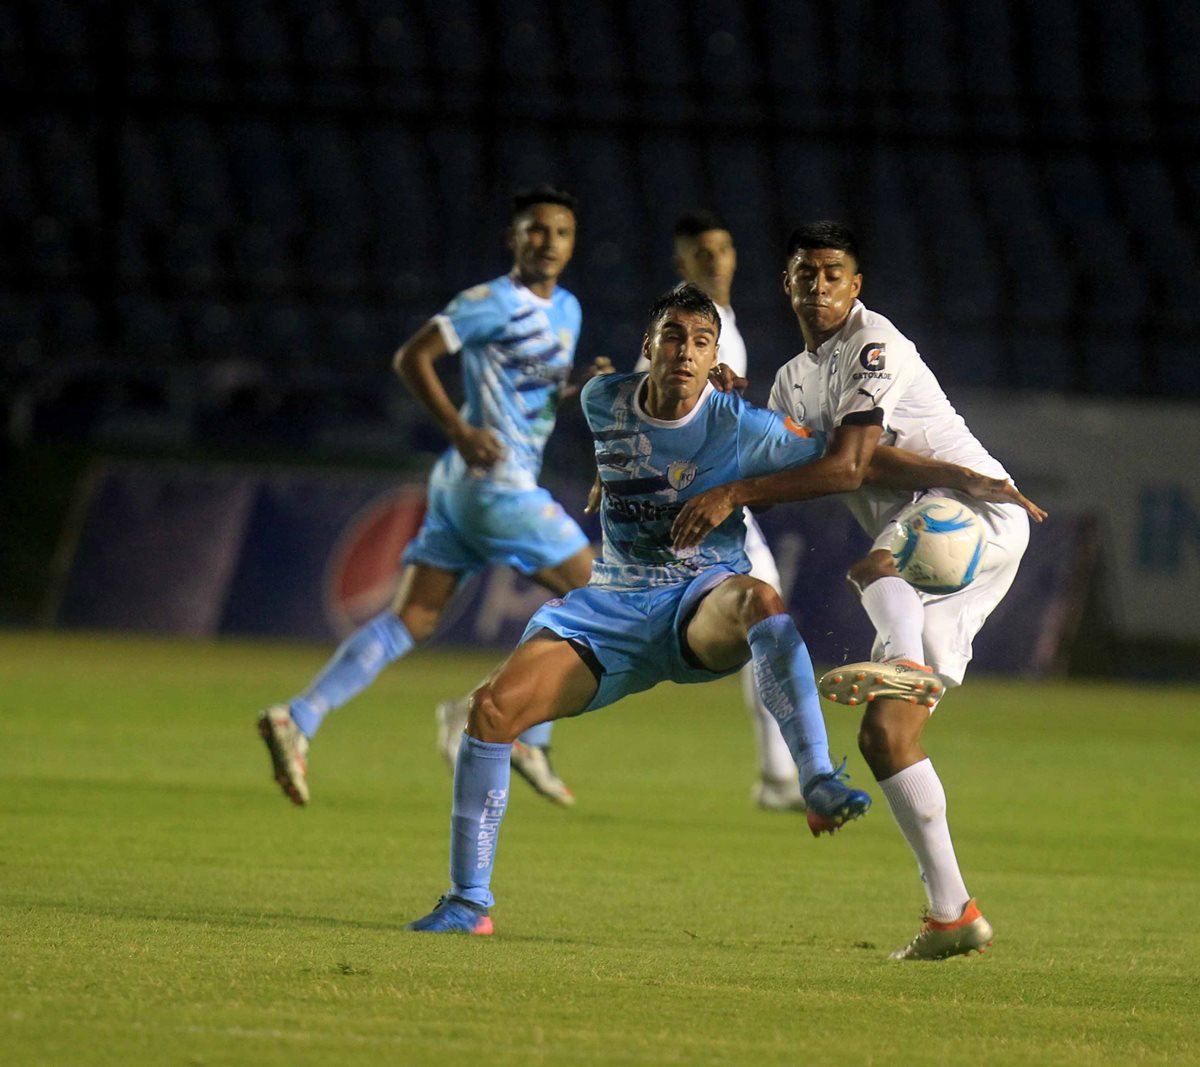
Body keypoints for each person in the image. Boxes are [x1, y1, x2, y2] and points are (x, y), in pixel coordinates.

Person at [406, 282, 1032, 935]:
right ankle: (468, 902)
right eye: (673, 337)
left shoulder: (743, 424)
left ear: (716, 361)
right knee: (491, 711)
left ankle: (815, 776)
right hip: (610, 608)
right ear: (648, 347)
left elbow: (855, 463)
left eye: (701, 343)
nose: (685, 352)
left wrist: (966, 479)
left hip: (699, 599)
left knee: (760, 598)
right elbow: (596, 417)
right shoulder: (603, 400)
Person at [671, 221, 1047, 961]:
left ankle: (901, 654)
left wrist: (741, 486)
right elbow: (793, 468)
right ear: (787, 285)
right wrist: (732, 415)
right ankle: (953, 912)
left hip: (977, 515)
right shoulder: (791, 381)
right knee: (885, 735)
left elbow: (846, 468)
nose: (818, 287)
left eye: (833, 274)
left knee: (873, 566)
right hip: (941, 521)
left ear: (856, 285)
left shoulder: (876, 345)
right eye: (805, 275)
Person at [257, 184, 601, 808]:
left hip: (463, 487)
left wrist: (581, 389)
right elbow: (411, 357)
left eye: (561, 232)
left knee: (411, 619)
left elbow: (534, 396)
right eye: (536, 230)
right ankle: (514, 725)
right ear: (513, 238)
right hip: (497, 485)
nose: (548, 242)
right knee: (601, 599)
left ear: (573, 243)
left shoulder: (569, 311)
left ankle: (298, 717)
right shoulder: (490, 302)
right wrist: (461, 431)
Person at [636, 210, 809, 812]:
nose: (714, 260)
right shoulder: (679, 335)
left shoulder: (726, 327)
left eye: (723, 249)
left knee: (765, 618)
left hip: (713, 505)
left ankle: (778, 776)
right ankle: (494, 717)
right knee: (609, 639)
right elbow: (645, 411)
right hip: (681, 510)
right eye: (700, 252)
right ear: (682, 263)